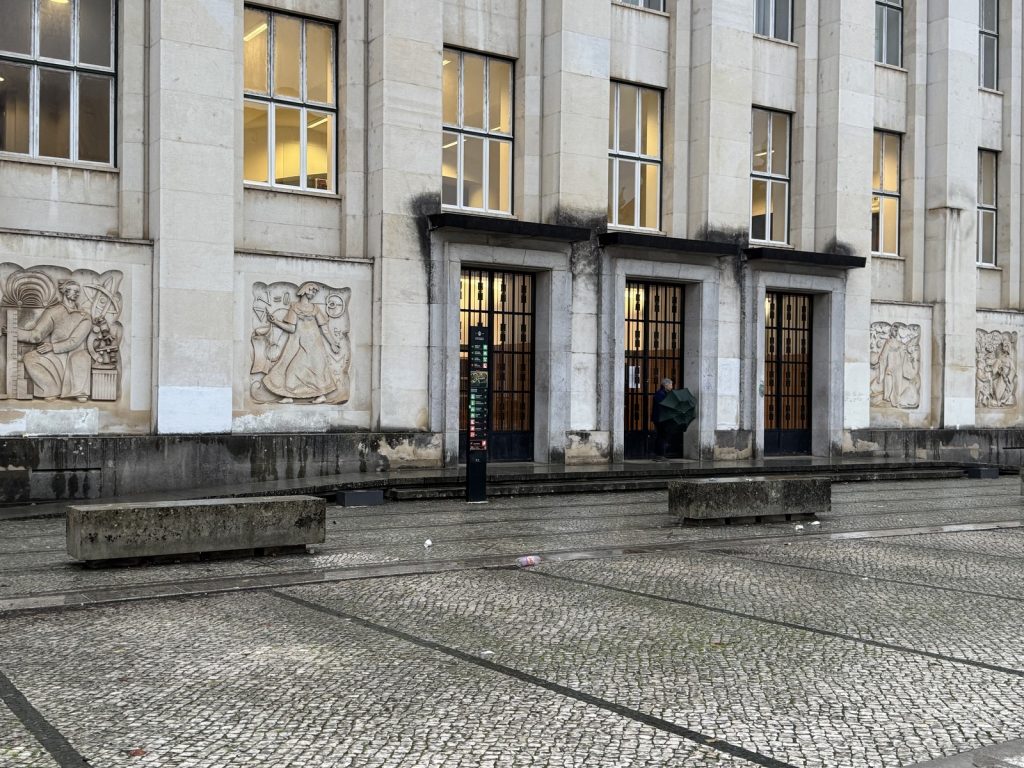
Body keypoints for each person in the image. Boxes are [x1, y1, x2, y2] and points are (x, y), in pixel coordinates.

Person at [262, 282, 341, 403]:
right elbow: (291, 328)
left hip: (315, 344)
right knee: (291, 370)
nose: (313, 293)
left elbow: (324, 328)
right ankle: (289, 396)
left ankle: (321, 395)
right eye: (312, 290)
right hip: (300, 343)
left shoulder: (315, 308)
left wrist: (332, 343)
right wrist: (275, 321)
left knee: (317, 369)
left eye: (315, 292)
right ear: (304, 290)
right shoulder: (295, 307)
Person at [19, 280, 93, 401]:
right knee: (30, 358)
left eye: (78, 291)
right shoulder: (53, 312)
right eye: (73, 290)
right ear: (64, 291)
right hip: (56, 355)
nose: (76, 294)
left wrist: (52, 347)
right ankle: (50, 389)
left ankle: (79, 392)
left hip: (75, 353)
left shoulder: (84, 316)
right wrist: (13, 332)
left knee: (81, 358)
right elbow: (36, 335)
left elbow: (75, 341)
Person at [651, 377, 673, 461]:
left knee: (661, 436)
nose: (672, 386)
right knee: (662, 436)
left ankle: (658, 455)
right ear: (666, 385)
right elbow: (663, 406)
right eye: (671, 385)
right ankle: (660, 455)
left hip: (661, 418)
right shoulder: (660, 394)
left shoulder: (663, 393)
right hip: (660, 419)